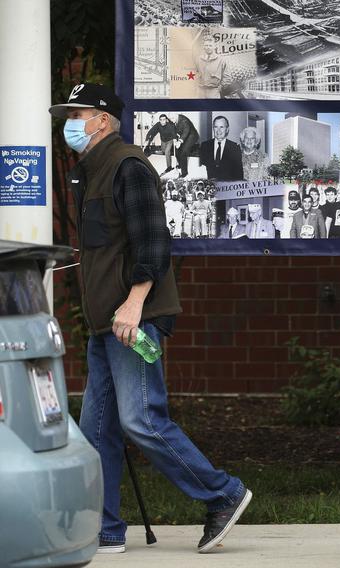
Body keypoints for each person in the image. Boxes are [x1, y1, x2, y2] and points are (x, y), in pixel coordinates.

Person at [49, 83, 251, 554]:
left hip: (132, 319)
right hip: (108, 323)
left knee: (141, 419)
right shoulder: (93, 170)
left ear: (101, 120)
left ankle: (223, 493)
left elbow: (154, 244)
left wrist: (134, 304)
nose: (69, 124)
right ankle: (105, 529)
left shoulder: (128, 167)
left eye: (76, 115)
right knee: (96, 429)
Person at [199, 115, 244, 181]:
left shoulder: (234, 148)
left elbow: (239, 175)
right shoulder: (205, 146)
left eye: (221, 127)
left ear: (227, 129)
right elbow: (201, 170)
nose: (218, 131)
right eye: (216, 127)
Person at [196, 34, 226, 98]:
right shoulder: (198, 59)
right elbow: (195, 73)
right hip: (200, 91)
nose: (208, 47)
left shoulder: (221, 60)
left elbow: (227, 77)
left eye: (210, 45)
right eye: (206, 45)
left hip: (214, 91)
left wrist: (220, 88)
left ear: (214, 46)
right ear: (203, 47)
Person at [174, 113, 199, 177]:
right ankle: (180, 164)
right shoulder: (174, 120)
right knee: (177, 151)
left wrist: (179, 141)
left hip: (192, 136)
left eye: (172, 118)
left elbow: (186, 131)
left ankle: (184, 173)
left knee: (183, 152)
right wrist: (175, 139)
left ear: (176, 116)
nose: (171, 120)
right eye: (170, 119)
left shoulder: (184, 120)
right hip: (183, 137)